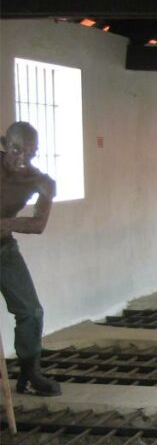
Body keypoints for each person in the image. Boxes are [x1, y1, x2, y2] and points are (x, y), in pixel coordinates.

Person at [0, 122, 61, 397]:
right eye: (16, 150)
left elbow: (37, 225)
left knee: (31, 311)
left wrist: (4, 223)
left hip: (4, 248)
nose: (22, 159)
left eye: (31, 153)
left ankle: (29, 371)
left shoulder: (41, 182)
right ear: (4, 145)